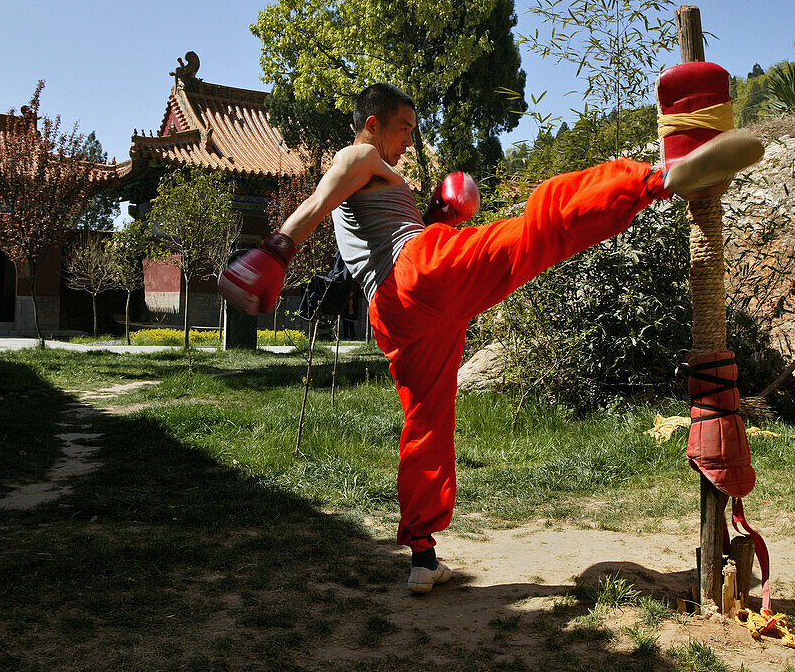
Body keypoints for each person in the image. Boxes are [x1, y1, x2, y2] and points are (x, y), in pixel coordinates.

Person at [219, 82, 764, 594]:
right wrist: (277, 249)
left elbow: (367, 232)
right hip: (416, 272)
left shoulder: (373, 175)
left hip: (395, 317)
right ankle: (658, 179)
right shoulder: (360, 157)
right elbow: (318, 204)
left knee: (427, 424)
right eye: (404, 127)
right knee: (533, 230)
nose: (411, 138)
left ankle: (422, 559)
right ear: (372, 123)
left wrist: (435, 216)